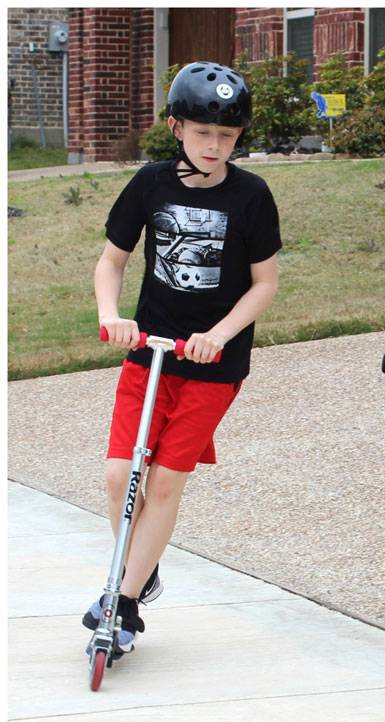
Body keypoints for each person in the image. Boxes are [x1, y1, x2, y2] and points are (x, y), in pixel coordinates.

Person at [83, 61, 281, 657]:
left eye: (226, 135)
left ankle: (122, 600)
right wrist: (111, 315)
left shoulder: (251, 195)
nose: (214, 146)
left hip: (213, 367)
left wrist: (219, 334)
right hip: (149, 354)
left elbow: (265, 285)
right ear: (176, 127)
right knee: (120, 475)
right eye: (202, 133)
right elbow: (111, 261)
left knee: (166, 480)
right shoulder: (150, 185)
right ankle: (140, 573)